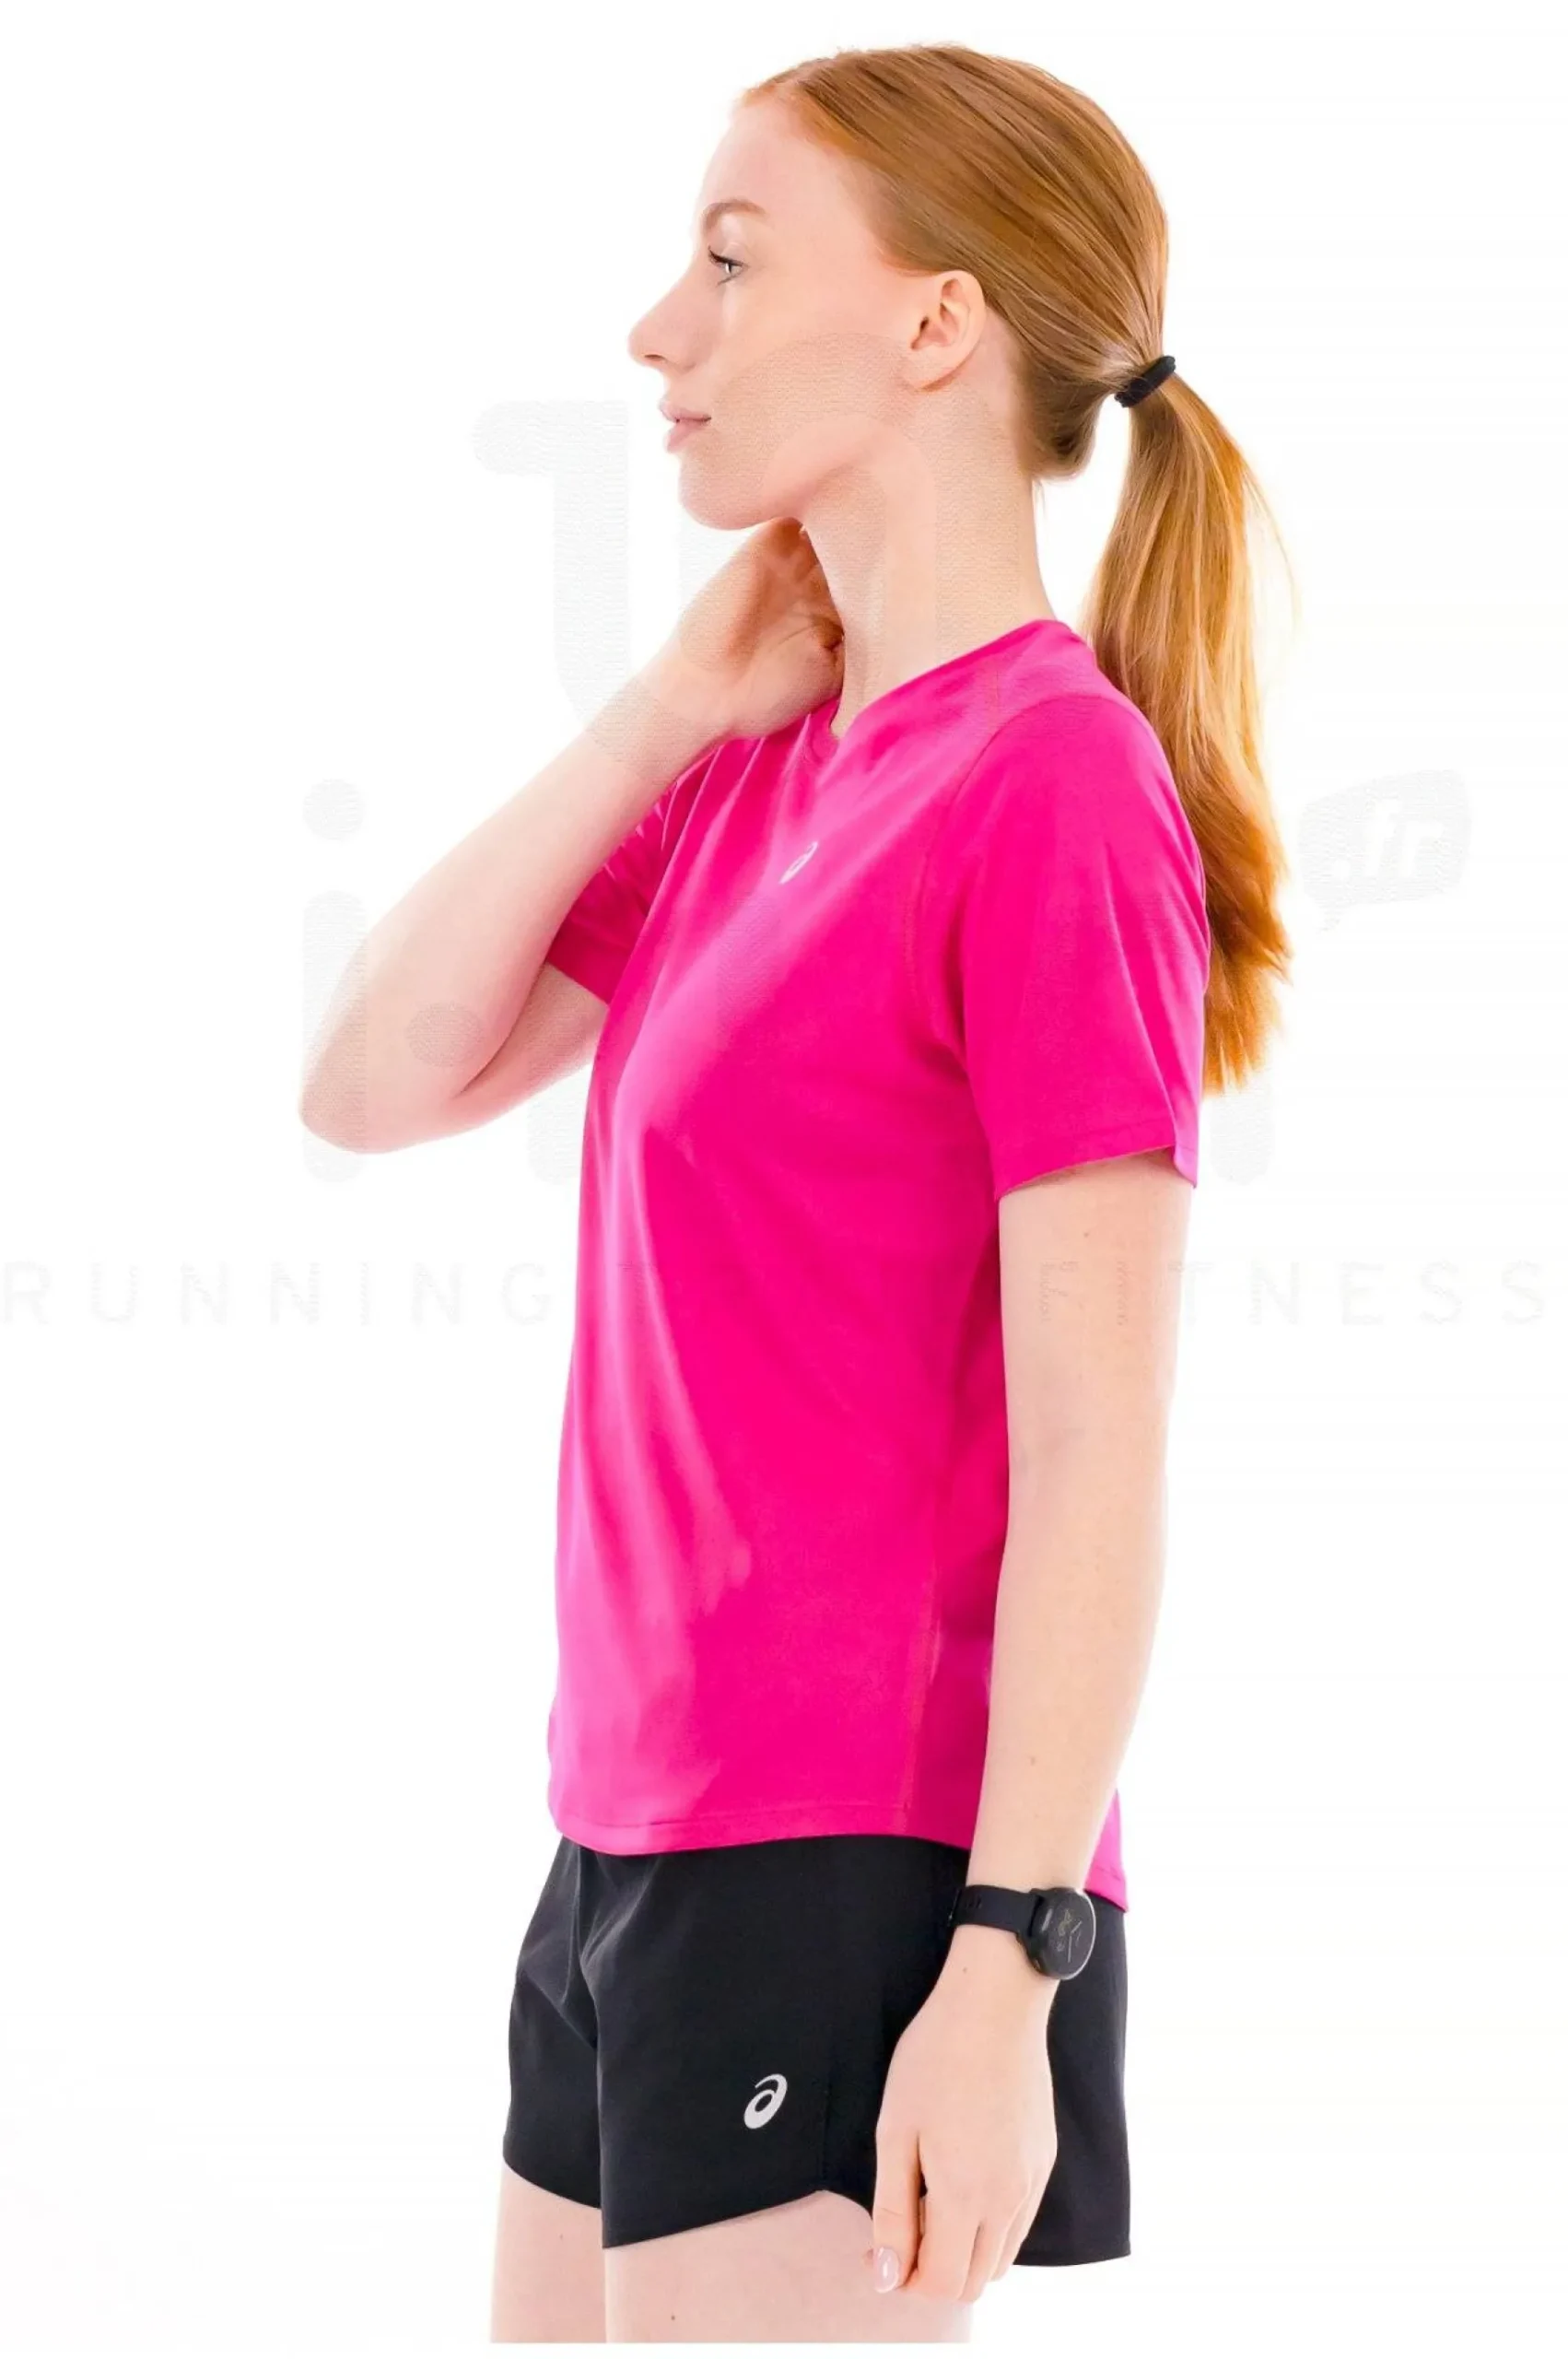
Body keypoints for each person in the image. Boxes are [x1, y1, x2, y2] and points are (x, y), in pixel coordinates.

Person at [301, 39, 1292, 2345]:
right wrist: (664, 704)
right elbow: (367, 1081)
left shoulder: (1050, 782)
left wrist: (1005, 1957)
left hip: (857, 1862)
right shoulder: (761, 772)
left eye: (731, 262)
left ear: (935, 324)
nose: (660, 327)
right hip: (627, 1823)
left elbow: (1097, 1446)